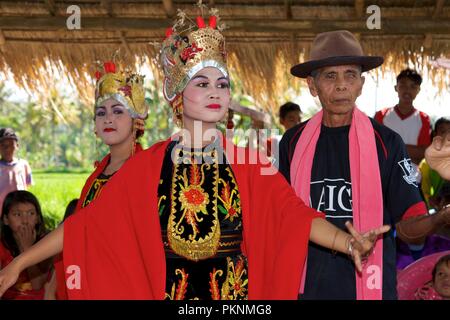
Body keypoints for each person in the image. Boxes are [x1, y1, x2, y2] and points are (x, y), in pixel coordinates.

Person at [0, 12, 390, 300]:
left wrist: (346, 242)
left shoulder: (250, 163)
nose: (215, 91)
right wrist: (19, 262)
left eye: (222, 83)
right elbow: (85, 225)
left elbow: (295, 217)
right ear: (176, 94)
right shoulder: (146, 166)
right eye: (202, 83)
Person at [279, 30, 445, 300]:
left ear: (361, 84)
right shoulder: (292, 142)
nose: (341, 85)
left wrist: (440, 217)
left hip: (369, 286)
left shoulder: (387, 143)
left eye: (350, 75)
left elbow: (409, 227)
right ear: (312, 85)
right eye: (330, 76)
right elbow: (281, 216)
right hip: (306, 286)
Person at [51, 60, 149, 300]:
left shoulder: (143, 170)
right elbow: (78, 229)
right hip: (95, 281)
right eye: (101, 113)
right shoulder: (97, 174)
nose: (108, 119)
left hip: (127, 284)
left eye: (118, 111)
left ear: (136, 120)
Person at [0, 190, 51, 299]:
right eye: (17, 214)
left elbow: (37, 285)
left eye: (31, 213)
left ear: (37, 218)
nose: (25, 221)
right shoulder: (2, 246)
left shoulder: (47, 243)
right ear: (5, 219)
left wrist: (27, 248)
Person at [374, 69, 431, 165]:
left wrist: (389, 148)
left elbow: (423, 153)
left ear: (418, 90)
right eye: (403, 85)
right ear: (396, 87)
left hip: (412, 177)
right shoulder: (381, 115)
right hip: (383, 176)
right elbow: (375, 148)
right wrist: (412, 153)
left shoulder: (423, 118)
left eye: (413, 86)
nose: (407, 90)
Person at [0, 128, 33, 217]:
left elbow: (27, 186)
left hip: (21, 212)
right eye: (3, 145)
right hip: (1, 212)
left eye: (11, 144)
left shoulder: (24, 165)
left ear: (17, 146)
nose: (7, 148)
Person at [420, 117, 450, 207]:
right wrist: (430, 200)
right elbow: (424, 192)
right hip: (438, 211)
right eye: (443, 132)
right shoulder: (425, 164)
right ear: (435, 135)